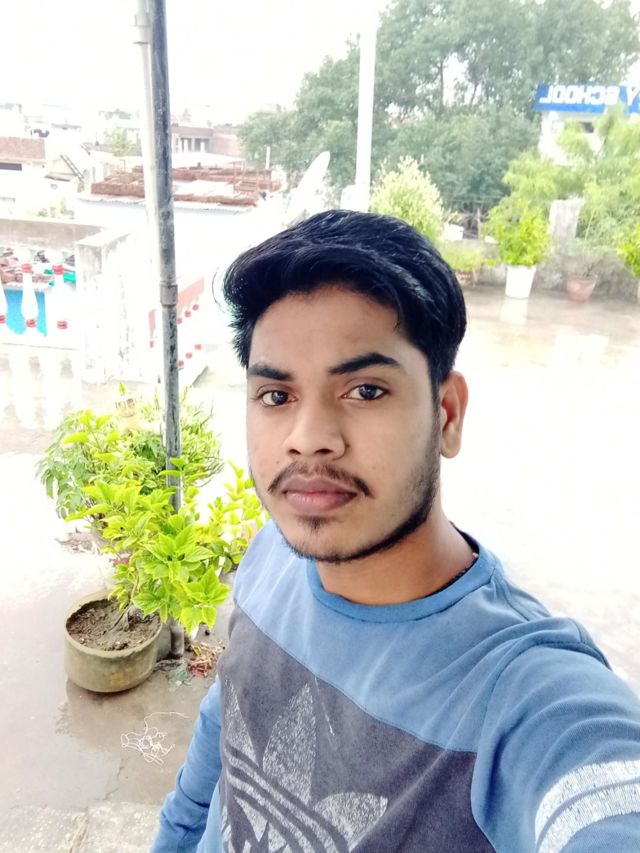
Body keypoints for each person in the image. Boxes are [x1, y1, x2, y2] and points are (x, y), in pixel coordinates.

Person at [152, 210, 640, 853]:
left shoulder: (522, 697)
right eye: (276, 396)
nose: (308, 438)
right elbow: (228, 718)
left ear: (447, 415)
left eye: (365, 390)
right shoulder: (273, 550)